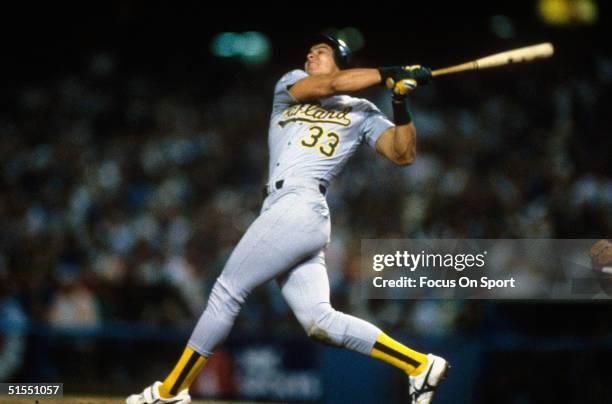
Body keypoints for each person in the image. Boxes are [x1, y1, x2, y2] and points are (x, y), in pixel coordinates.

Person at [127, 34, 448, 404]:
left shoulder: (361, 110)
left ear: (341, 59)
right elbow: (329, 85)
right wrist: (388, 73)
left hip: (302, 203)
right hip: (285, 209)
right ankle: (419, 364)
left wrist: (399, 100)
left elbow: (402, 154)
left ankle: (170, 392)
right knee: (319, 321)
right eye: (310, 49)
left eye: (322, 51)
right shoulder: (291, 82)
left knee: (227, 292)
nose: (311, 53)